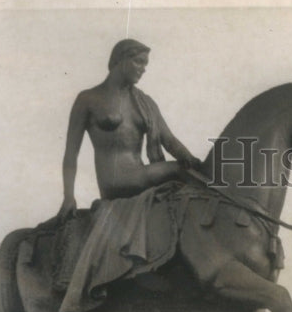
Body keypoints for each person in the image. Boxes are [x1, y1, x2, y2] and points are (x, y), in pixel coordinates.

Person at [59, 38, 202, 220]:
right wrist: (69, 197)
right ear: (120, 59)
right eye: (139, 61)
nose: (143, 69)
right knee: (179, 171)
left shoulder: (145, 102)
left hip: (140, 174)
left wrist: (192, 159)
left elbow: (169, 140)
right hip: (115, 181)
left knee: (190, 173)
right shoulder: (89, 98)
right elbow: (71, 152)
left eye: (145, 64)